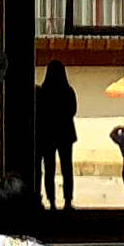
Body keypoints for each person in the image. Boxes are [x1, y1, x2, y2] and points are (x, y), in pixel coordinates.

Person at [32, 64, 80, 213]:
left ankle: (51, 202)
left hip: (47, 134)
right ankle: (67, 201)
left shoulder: (42, 92)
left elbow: (38, 112)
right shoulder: (68, 91)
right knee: (67, 168)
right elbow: (72, 111)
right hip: (65, 134)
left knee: (49, 169)